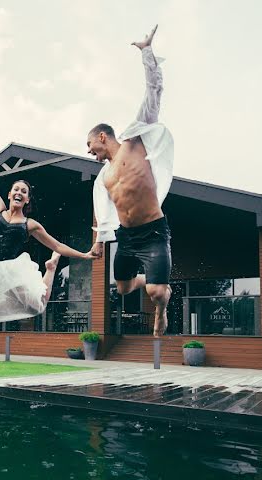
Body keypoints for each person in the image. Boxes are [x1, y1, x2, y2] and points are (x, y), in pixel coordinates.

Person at [86, 25, 175, 337]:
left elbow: (154, 93)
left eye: (90, 145)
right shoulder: (103, 177)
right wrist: (99, 243)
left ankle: (161, 312)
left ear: (102, 136)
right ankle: (140, 279)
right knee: (123, 289)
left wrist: (147, 53)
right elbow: (102, 210)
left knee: (157, 292)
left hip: (153, 231)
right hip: (126, 237)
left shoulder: (134, 140)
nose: (89, 152)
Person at [0, 134, 95, 326]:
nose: (19, 193)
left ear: (27, 199)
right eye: (16, 190)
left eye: (24, 192)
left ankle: (50, 269)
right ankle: (5, 300)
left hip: (9, 271)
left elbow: (58, 245)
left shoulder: (30, 224)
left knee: (36, 307)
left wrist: (84, 255)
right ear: (9, 194)